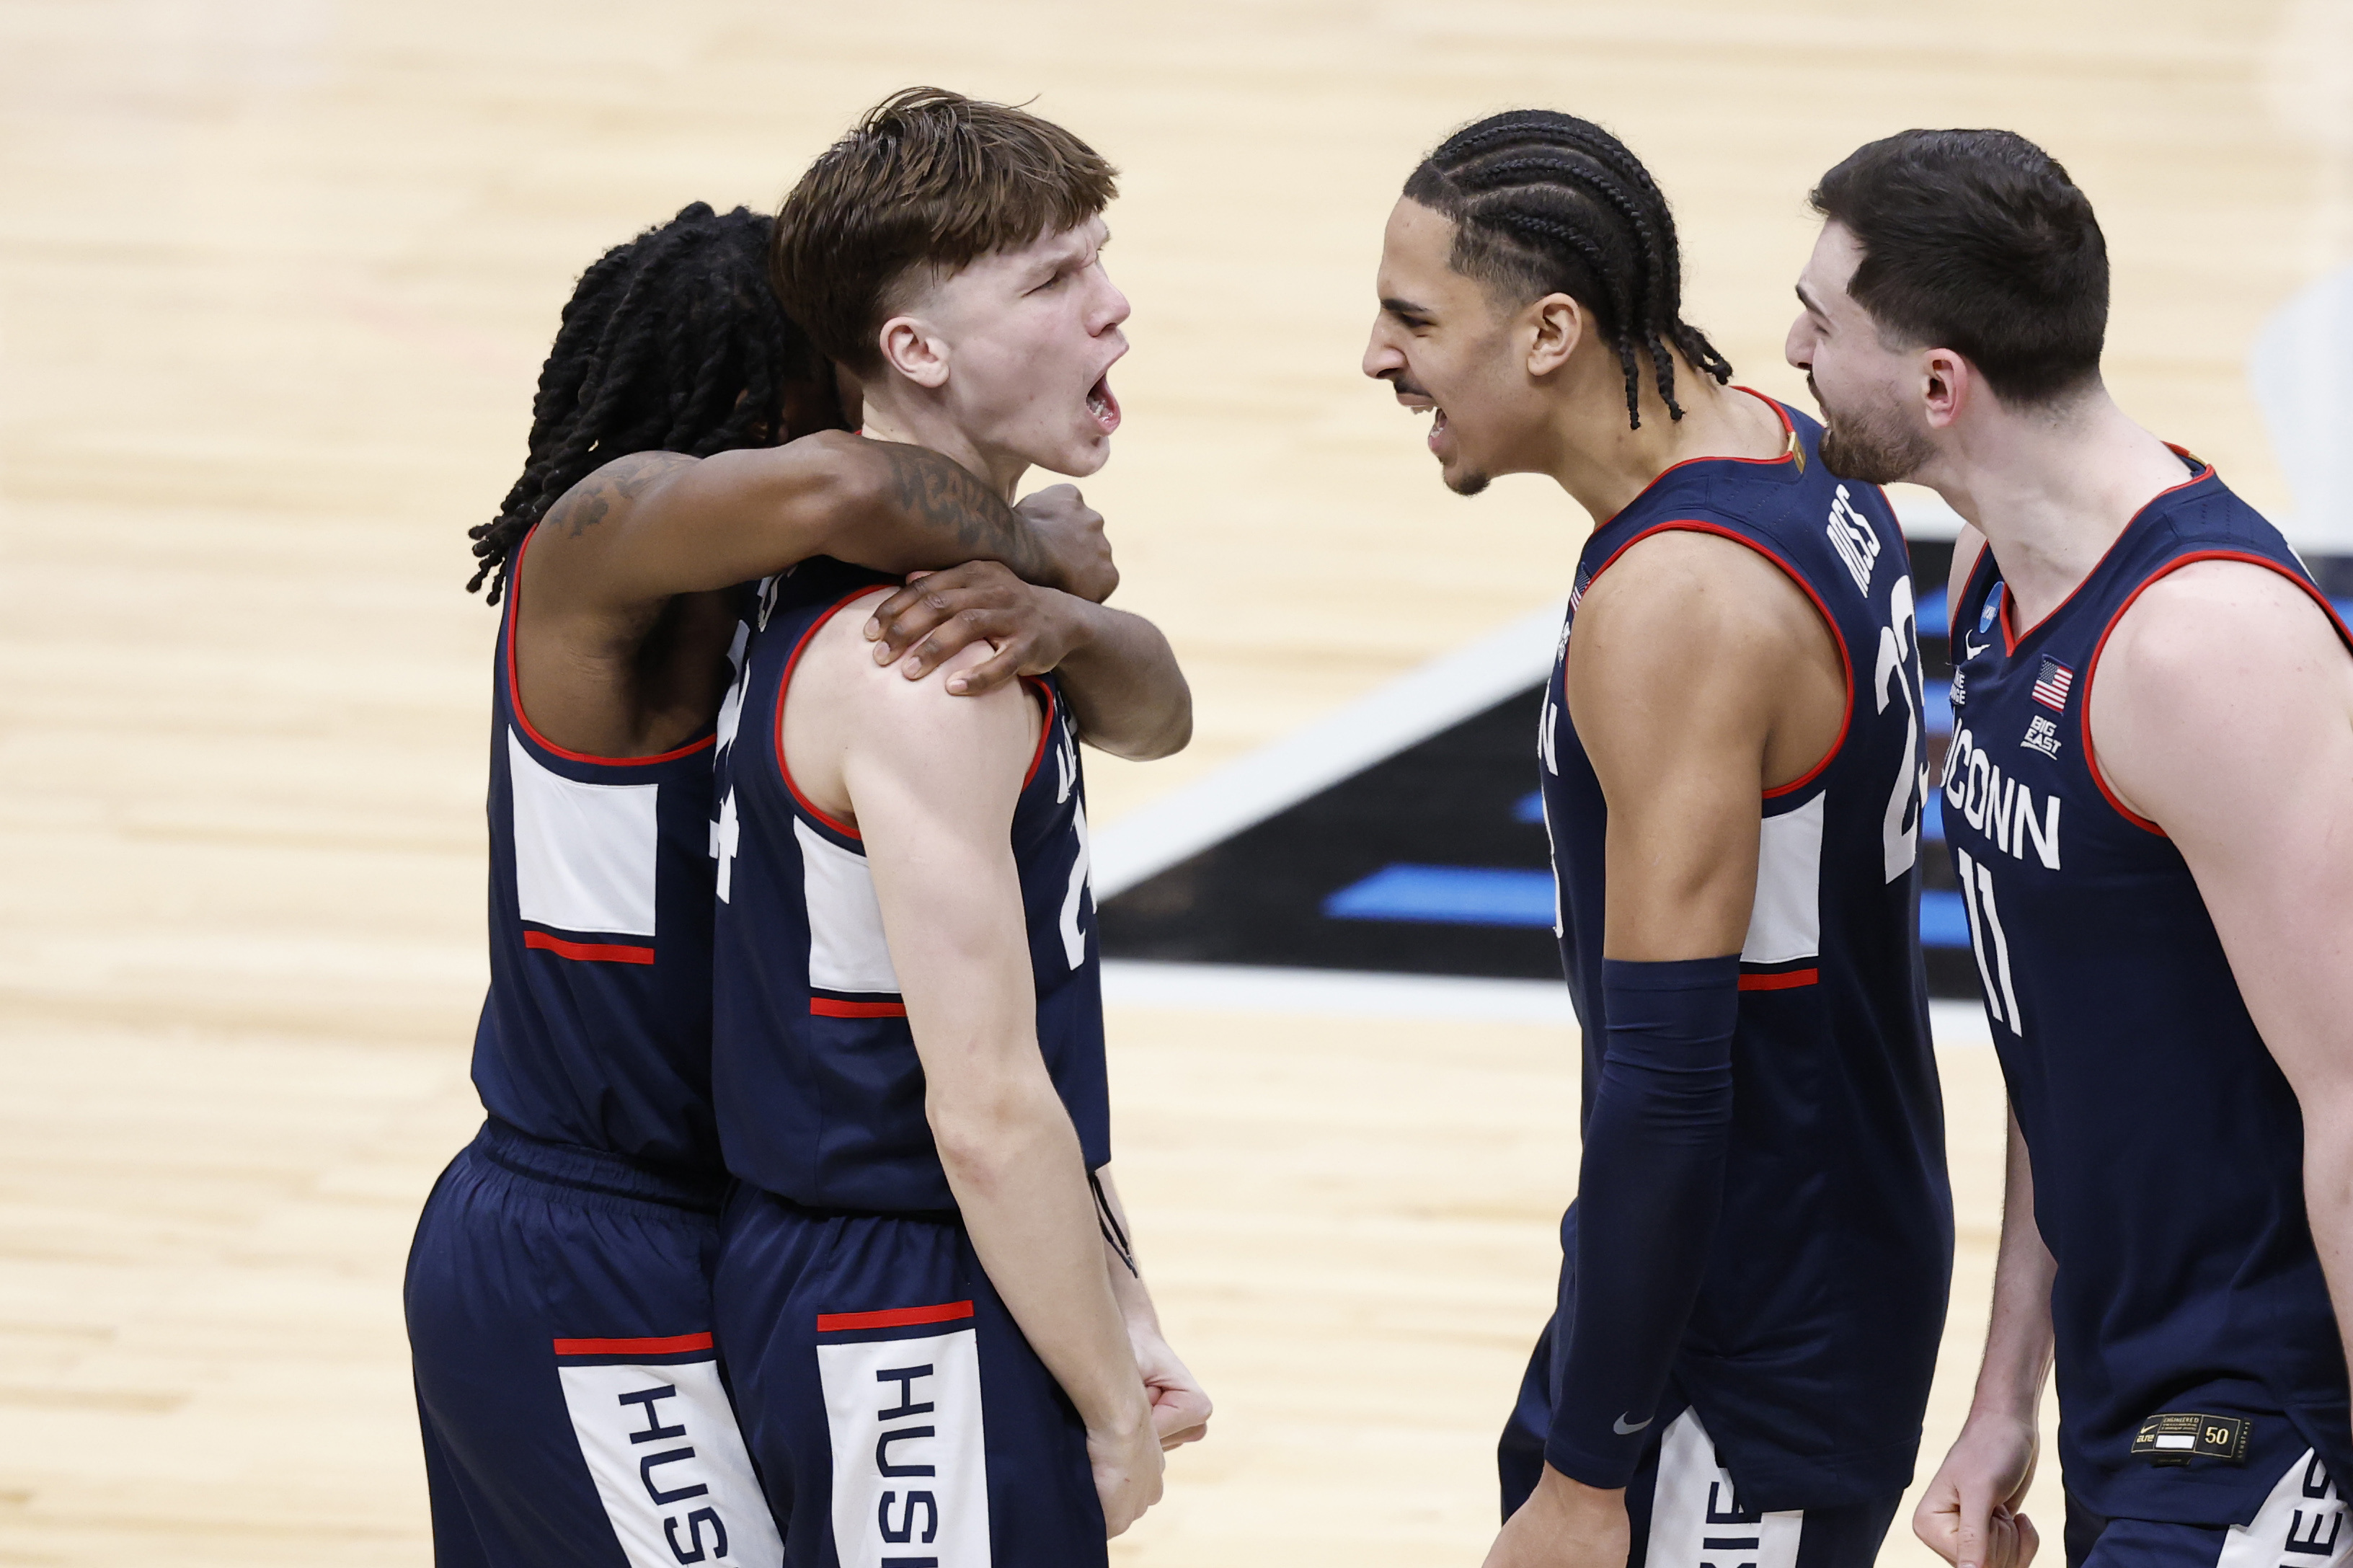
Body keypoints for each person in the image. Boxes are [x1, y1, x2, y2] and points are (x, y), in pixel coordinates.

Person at [404, 199, 1192, 1567]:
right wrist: (1042, 546)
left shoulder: (818, 616)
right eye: (837, 382)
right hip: (581, 1233)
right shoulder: (592, 559)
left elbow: (1152, 713)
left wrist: (1066, 618)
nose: (859, 418)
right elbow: (853, 484)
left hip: (751, 1222)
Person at [1362, 110, 1952, 1568]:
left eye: (1414, 319)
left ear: (1552, 330)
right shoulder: (1778, 439)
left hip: (1749, 1315)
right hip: (1804, 1236)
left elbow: (1675, 1080)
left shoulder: (1679, 597)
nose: (1380, 358)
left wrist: (1586, 1466)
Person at [1789, 128, 2353, 1568]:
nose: (1791, 345)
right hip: (2130, 1394)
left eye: (1823, 320)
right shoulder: (1990, 577)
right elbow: (2065, 1032)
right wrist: (2002, 1394)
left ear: (1937, 383)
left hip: (2272, 1410)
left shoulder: (2207, 645)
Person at [707, 89, 1207, 1568]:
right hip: (897, 1288)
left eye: (1101, 259)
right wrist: (1113, 1408)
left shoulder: (959, 603)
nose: (1113, 308)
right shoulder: (922, 667)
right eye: (1056, 281)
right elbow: (982, 1108)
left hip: (924, 1267)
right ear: (916, 351)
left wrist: (1112, 1287)